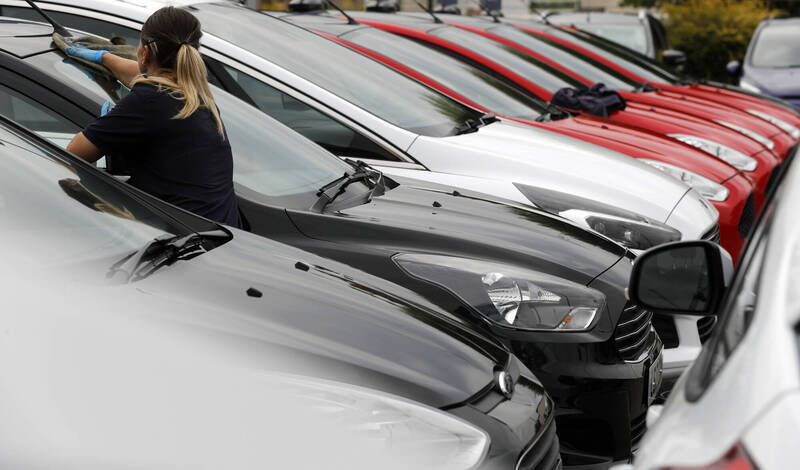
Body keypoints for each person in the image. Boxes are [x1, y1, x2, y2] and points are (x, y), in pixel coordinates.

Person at [65, 6, 242, 228]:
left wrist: (107, 129)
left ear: (146, 53)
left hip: (186, 242)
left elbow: (73, 153)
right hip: (221, 233)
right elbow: (141, 76)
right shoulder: (194, 91)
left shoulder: (149, 101)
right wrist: (105, 58)